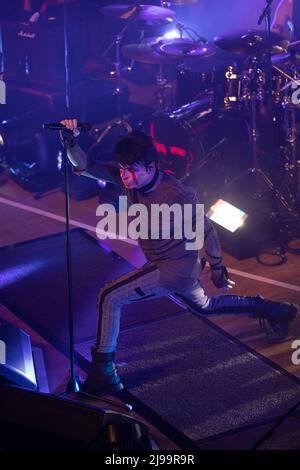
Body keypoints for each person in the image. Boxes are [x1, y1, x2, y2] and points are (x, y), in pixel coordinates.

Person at [60, 119, 298, 396]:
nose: (125, 177)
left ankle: (105, 374)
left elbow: (206, 229)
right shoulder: (131, 179)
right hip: (163, 263)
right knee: (205, 306)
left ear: (151, 167)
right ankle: (275, 310)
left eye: (132, 171)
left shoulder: (178, 195)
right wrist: (70, 142)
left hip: (175, 267)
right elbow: (85, 166)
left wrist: (218, 268)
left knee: (109, 297)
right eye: (123, 170)